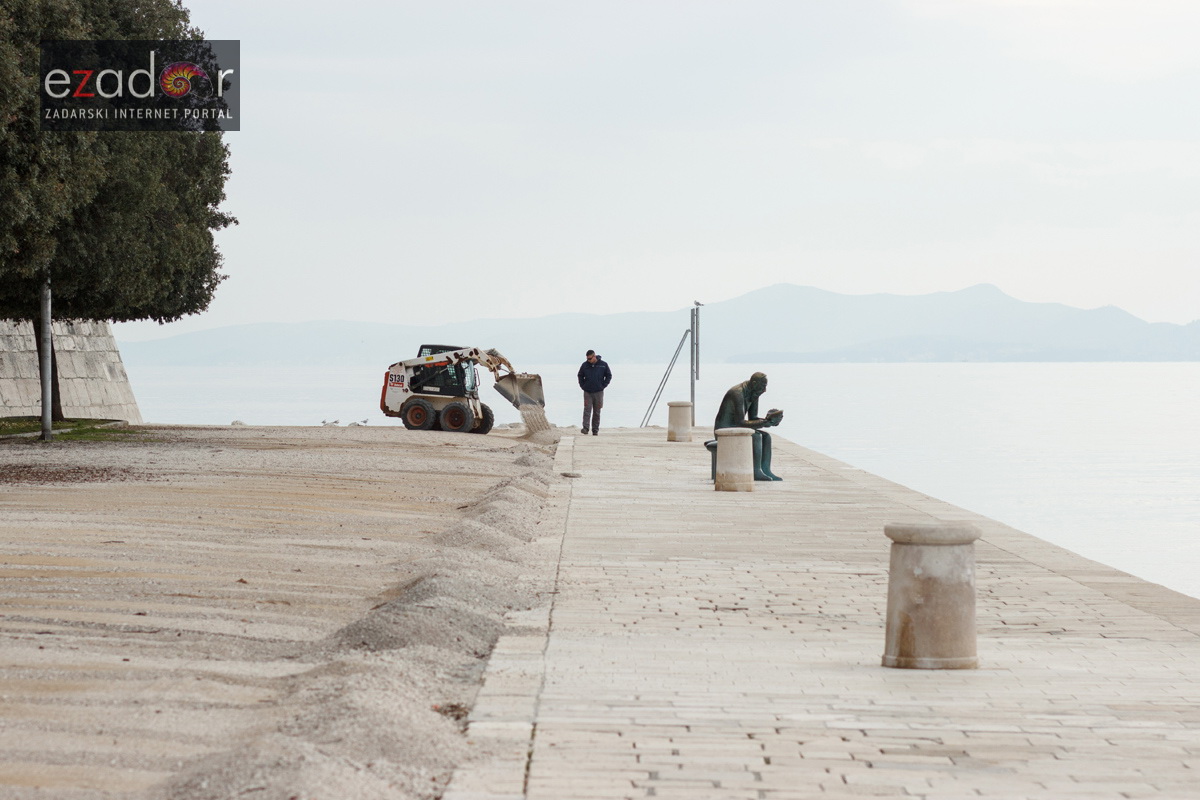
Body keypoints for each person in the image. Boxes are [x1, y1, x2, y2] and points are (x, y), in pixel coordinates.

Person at [714, 371, 783, 480]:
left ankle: (765, 470)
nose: (764, 390)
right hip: (724, 430)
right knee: (756, 436)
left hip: (736, 427)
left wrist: (769, 420)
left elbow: (753, 419)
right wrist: (764, 422)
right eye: (763, 386)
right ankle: (756, 471)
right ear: (754, 384)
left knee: (766, 436)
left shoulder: (754, 392)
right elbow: (740, 422)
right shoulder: (737, 393)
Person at [577, 349, 612, 435]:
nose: (588, 360)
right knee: (587, 410)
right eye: (587, 359)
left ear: (594, 356)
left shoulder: (603, 365)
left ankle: (595, 430)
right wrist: (583, 385)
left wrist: (603, 385)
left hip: (599, 392)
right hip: (587, 391)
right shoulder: (584, 365)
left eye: (590, 358)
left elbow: (609, 375)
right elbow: (580, 375)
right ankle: (585, 428)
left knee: (597, 411)